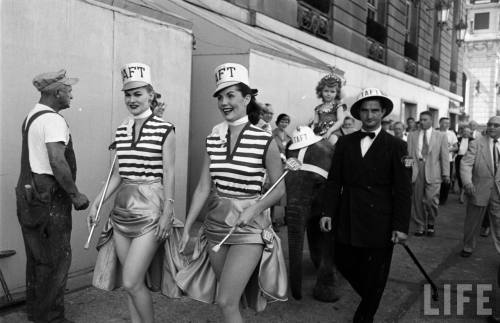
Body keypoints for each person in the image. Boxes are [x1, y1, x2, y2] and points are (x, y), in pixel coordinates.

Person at [178, 63, 287, 323]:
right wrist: (187, 227)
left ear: (247, 98)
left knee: (226, 300)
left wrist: (254, 208)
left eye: (231, 95)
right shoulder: (213, 138)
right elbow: (204, 187)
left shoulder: (264, 140)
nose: (224, 102)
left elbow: (279, 188)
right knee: (229, 301)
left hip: (249, 229)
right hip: (216, 226)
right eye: (220, 96)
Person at [87, 63, 176, 323]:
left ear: (151, 94)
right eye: (128, 94)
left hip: (150, 210)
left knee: (131, 279)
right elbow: (117, 174)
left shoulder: (165, 129)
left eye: (138, 93)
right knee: (131, 284)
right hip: (122, 213)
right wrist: (97, 204)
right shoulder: (122, 129)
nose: (132, 99)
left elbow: (169, 173)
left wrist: (168, 211)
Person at [320, 88, 411, 323]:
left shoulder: (398, 146)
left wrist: (400, 225)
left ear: (383, 113)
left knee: (377, 271)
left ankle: (365, 315)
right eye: (365, 110)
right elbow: (334, 181)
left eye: (375, 110)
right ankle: (371, 296)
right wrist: (327, 211)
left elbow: (403, 190)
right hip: (348, 212)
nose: (370, 115)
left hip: (381, 217)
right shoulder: (345, 143)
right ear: (358, 113)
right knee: (342, 259)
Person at [15, 69, 89, 323]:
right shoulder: (54, 120)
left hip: (28, 195)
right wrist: (75, 194)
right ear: (57, 93)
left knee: (38, 258)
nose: (71, 95)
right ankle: (52, 319)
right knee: (57, 259)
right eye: (68, 90)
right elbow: (57, 161)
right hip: (49, 198)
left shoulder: (32, 116)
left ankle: (37, 313)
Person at [459, 116, 500, 258]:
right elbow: (466, 164)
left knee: (498, 223)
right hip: (478, 189)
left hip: (498, 192)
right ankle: (468, 246)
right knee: (473, 222)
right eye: (490, 124)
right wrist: (467, 182)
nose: (492, 127)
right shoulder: (476, 143)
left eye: (496, 125)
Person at [407, 111, 449, 236]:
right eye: (421, 119)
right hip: (416, 169)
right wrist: (407, 172)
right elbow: (408, 154)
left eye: (425, 119)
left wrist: (446, 174)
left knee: (431, 200)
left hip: (434, 170)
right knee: (417, 200)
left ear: (431, 121)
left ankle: (431, 222)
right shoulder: (412, 135)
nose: (422, 122)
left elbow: (445, 156)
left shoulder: (440, 136)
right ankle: (420, 225)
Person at [312, 72, 346, 146]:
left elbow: (340, 121)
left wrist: (329, 131)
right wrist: (313, 131)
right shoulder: (318, 108)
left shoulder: (338, 106)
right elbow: (315, 123)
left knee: (332, 143)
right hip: (320, 133)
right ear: (321, 91)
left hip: (334, 132)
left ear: (337, 93)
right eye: (326, 91)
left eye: (332, 91)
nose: (328, 94)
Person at [438, 117, 458, 205]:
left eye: (448, 123)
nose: (447, 125)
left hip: (448, 160)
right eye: (445, 123)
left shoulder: (451, 134)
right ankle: (435, 196)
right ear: (440, 123)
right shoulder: (435, 133)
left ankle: (443, 199)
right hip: (436, 160)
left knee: (446, 180)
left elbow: (456, 147)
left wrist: (446, 150)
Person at [456, 125, 474, 203]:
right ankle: (461, 192)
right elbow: (455, 149)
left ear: (470, 133)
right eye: (464, 131)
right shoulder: (458, 139)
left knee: (467, 175)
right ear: (462, 132)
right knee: (459, 175)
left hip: (469, 159)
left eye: (468, 132)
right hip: (459, 158)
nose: (466, 133)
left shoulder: (473, 140)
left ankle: (462, 195)